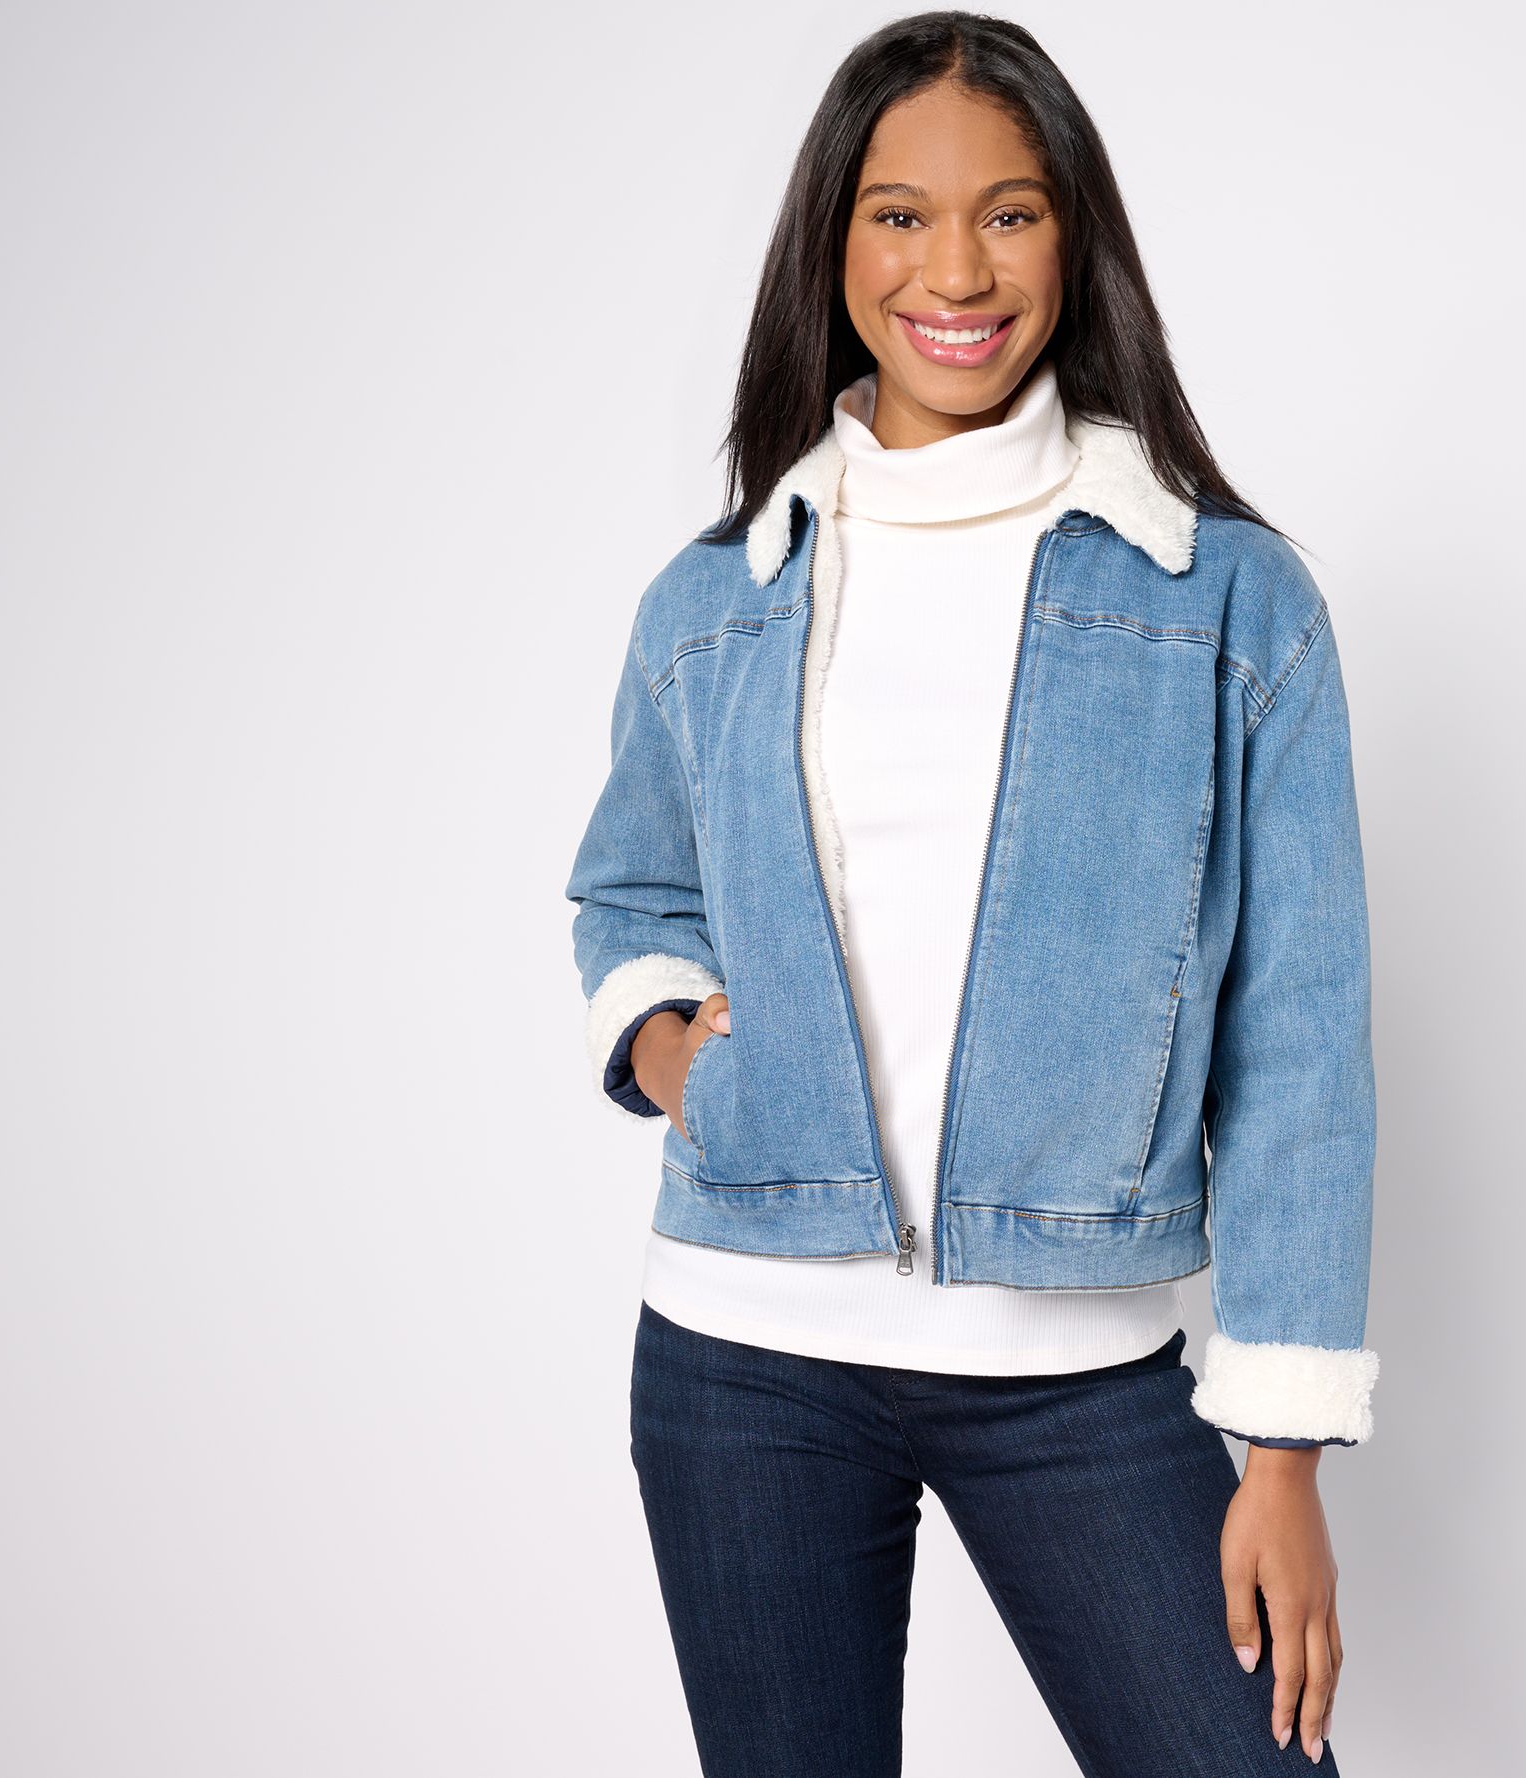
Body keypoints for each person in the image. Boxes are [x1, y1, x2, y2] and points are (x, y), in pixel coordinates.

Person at [565, 12, 1378, 1774]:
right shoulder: (714, 597)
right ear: (832, 244)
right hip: (741, 1356)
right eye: (900, 215)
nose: (955, 270)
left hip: (1077, 1372)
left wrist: (1283, 1449)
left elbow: (1302, 1040)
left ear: (1074, 240)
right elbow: (631, 889)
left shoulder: (1226, 598)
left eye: (1009, 213)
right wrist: (675, 1053)